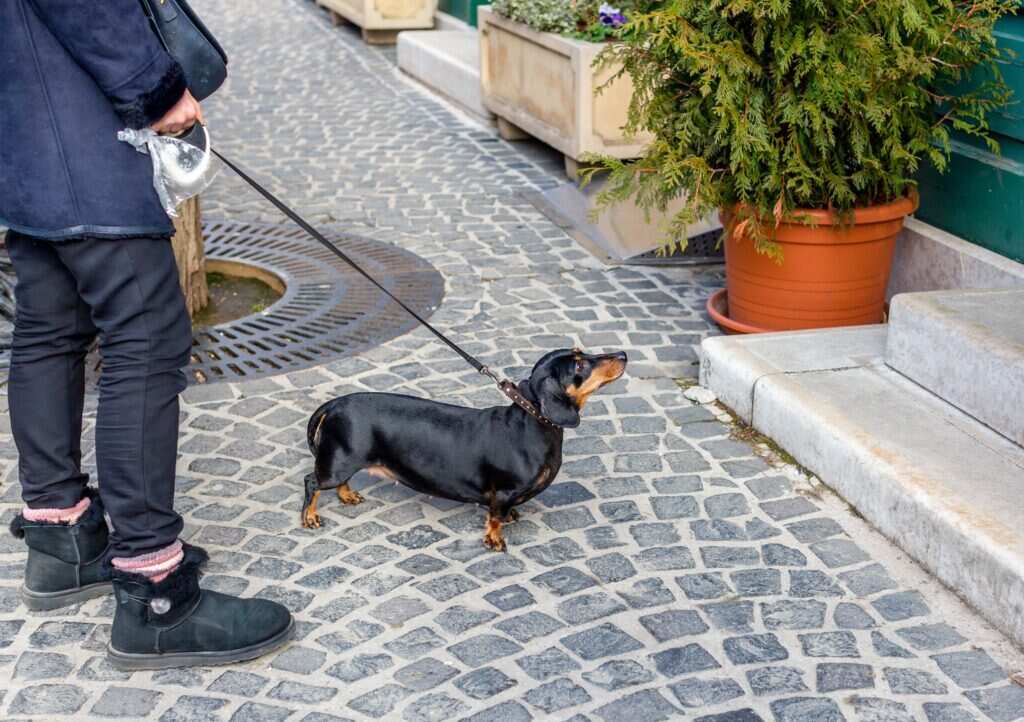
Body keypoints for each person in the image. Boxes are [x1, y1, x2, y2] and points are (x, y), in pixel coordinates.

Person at [1, 0, 293, 670]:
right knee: (148, 334)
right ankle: (154, 590)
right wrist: (155, 88)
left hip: (23, 112)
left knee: (52, 321)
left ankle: (61, 539)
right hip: (77, 121)